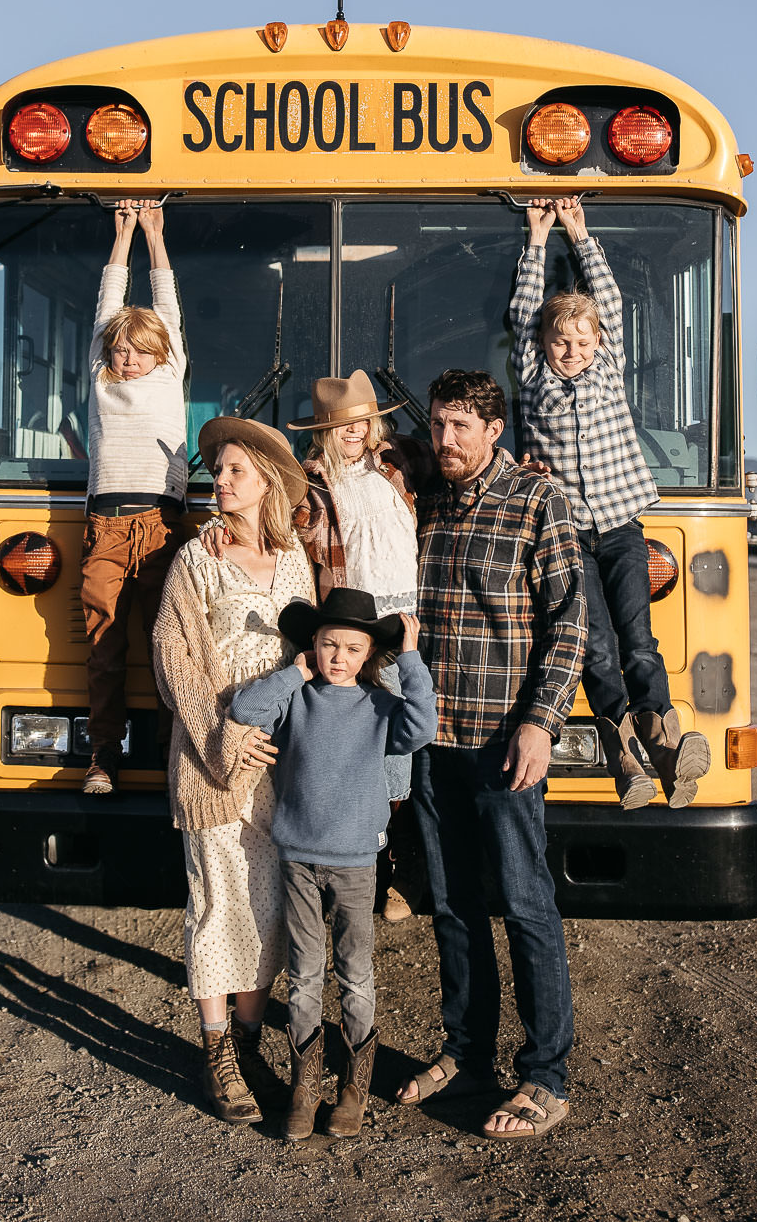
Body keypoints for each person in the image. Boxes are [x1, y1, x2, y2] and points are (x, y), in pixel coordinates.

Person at [399, 368, 585, 1141]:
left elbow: (569, 624)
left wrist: (541, 722)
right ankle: (468, 1054)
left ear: (493, 429)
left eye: (459, 428)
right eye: (437, 425)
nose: (444, 440)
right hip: (432, 741)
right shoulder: (427, 503)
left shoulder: (539, 502)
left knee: (526, 903)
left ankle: (546, 1075)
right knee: (451, 903)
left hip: (506, 744)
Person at [510, 196, 710, 808]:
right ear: (544, 344)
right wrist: (537, 240)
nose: (570, 349)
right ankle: (623, 749)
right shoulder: (533, 378)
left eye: (580, 339)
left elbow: (610, 300)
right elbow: (522, 314)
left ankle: (663, 734)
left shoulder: (606, 371)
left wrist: (578, 230)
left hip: (621, 524)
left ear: (599, 343)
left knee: (639, 641)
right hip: (569, 535)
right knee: (594, 648)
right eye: (559, 340)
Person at [151, 417, 315, 1124]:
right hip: (214, 761)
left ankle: (247, 1041)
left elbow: (312, 660)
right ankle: (217, 1051)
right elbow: (172, 652)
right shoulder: (197, 559)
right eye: (216, 470)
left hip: (280, 762)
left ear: (267, 482)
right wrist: (221, 738)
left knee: (270, 908)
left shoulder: (295, 560)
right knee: (216, 904)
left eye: (234, 471)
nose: (219, 482)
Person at [231, 588, 437, 1140]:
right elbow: (243, 710)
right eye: (327, 645)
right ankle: (304, 1090)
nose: (338, 656)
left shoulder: (378, 706)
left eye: (351, 647)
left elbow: (421, 729)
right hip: (298, 855)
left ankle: (353, 1091)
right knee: (303, 974)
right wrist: (294, 673)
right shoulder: (297, 696)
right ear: (312, 646)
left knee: (356, 973)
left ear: (369, 654)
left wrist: (411, 659)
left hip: (355, 861)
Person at [285, 371, 434, 922]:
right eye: (340, 425)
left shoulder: (400, 464)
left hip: (407, 618)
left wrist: (521, 466)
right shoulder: (311, 483)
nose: (354, 432)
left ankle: (393, 872)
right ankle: (352, 872)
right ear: (324, 431)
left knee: (405, 751)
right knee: (357, 749)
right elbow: (277, 527)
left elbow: (464, 456)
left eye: (362, 421)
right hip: (355, 625)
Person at [80, 199, 188, 796]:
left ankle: (178, 757)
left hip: (161, 524)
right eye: (120, 349)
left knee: (169, 647)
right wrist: (120, 234)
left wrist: (154, 233)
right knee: (104, 647)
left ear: (160, 356)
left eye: (138, 351)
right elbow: (105, 311)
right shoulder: (102, 378)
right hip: (106, 525)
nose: (125, 357)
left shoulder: (169, 377)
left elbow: (166, 305)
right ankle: (102, 756)